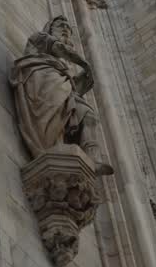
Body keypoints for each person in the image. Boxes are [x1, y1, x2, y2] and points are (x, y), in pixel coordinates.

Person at [10, 16, 113, 175]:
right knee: (55, 114)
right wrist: (84, 64)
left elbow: (69, 91)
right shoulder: (40, 37)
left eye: (69, 29)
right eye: (61, 25)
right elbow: (60, 49)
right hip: (40, 79)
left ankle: (94, 159)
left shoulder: (59, 67)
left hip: (56, 83)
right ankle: (53, 147)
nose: (66, 29)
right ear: (50, 27)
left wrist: (82, 81)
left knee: (87, 115)